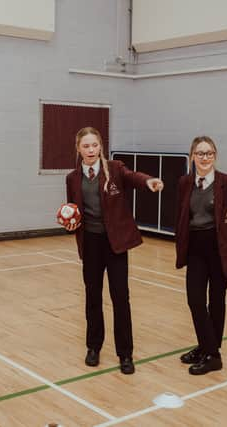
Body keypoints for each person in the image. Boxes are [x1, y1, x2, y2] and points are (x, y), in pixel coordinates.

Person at [63, 127, 164, 375]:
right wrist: (70, 222)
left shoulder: (115, 169)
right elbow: (73, 210)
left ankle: (125, 354)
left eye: (94, 145)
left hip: (115, 244)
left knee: (121, 298)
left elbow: (134, 177)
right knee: (92, 298)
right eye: (85, 146)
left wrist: (148, 181)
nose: (90, 150)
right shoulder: (72, 178)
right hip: (91, 245)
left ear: (100, 147)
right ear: (78, 149)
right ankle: (93, 347)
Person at [174, 136, 227, 375]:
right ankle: (207, 347)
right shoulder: (185, 183)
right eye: (200, 153)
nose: (204, 158)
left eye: (209, 153)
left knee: (216, 300)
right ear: (192, 156)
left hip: (220, 249)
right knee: (195, 299)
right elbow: (181, 217)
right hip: (196, 248)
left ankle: (212, 354)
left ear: (215, 156)